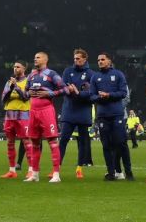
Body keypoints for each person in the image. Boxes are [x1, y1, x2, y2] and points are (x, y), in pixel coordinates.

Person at [23, 52, 66, 183]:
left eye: (38, 57)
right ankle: (35, 174)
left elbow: (65, 89)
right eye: (34, 57)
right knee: (34, 143)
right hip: (33, 111)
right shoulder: (31, 75)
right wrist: (27, 93)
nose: (35, 59)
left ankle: (56, 174)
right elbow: (25, 94)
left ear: (45, 60)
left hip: (46, 110)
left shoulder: (52, 74)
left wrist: (50, 93)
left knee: (52, 142)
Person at [89, 52, 131, 181]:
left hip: (117, 114)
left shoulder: (118, 74)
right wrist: (100, 97)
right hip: (102, 116)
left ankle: (128, 172)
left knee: (121, 143)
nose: (100, 61)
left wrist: (109, 95)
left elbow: (123, 93)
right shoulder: (95, 77)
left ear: (109, 61)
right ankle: (111, 172)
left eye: (102, 59)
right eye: (98, 60)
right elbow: (91, 96)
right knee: (106, 145)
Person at [61, 49, 97, 180]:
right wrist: (68, 89)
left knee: (82, 141)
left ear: (84, 59)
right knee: (63, 139)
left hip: (83, 111)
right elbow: (62, 86)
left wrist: (77, 92)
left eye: (78, 58)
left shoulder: (91, 74)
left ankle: (79, 168)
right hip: (69, 110)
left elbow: (91, 93)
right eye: (74, 58)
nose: (75, 61)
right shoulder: (67, 71)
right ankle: (56, 168)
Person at [0, 61, 33, 179]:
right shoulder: (9, 82)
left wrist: (17, 88)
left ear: (24, 68)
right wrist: (11, 88)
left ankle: (31, 170)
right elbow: (3, 99)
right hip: (9, 116)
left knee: (27, 143)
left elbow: (25, 97)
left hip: (23, 116)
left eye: (18, 67)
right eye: (14, 66)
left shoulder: (28, 82)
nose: (15, 68)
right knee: (10, 143)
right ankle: (12, 170)